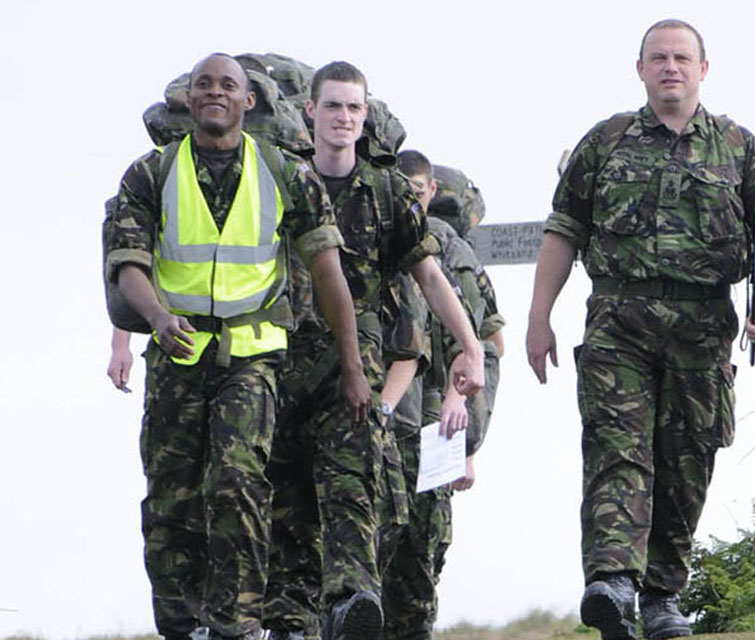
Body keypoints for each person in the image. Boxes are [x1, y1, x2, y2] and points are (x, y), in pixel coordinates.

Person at [526, 19, 755, 640]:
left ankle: (660, 598)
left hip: (703, 328)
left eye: (681, 57)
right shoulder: (605, 143)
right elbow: (562, 231)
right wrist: (539, 317)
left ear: (704, 69)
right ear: (640, 68)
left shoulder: (739, 147)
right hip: (618, 322)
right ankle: (613, 582)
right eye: (658, 58)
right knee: (617, 449)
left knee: (686, 462)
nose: (670, 67)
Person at [104, 54, 364, 640]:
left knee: (237, 480)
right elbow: (128, 267)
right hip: (176, 354)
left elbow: (329, 276)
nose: (214, 92)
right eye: (203, 85)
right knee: (171, 498)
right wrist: (158, 316)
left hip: (253, 356)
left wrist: (352, 368)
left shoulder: (285, 173)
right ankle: (180, 623)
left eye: (228, 85)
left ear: (250, 102)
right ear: (189, 100)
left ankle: (236, 624)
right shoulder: (149, 175)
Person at [261, 62, 485, 640]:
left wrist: (469, 347)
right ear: (309, 112)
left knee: (353, 488)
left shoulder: (385, 189)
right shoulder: (280, 181)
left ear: (365, 117)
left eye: (353, 108)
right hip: (279, 363)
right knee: (286, 505)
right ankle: (291, 620)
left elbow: (431, 276)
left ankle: (351, 601)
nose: (343, 118)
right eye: (332, 106)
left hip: (355, 370)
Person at [378, 150, 505, 640]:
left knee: (422, 548)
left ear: (431, 191)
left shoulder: (451, 252)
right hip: (379, 409)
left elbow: (486, 347)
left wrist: (468, 443)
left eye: (418, 188)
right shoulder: (372, 233)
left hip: (434, 418)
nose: (410, 195)